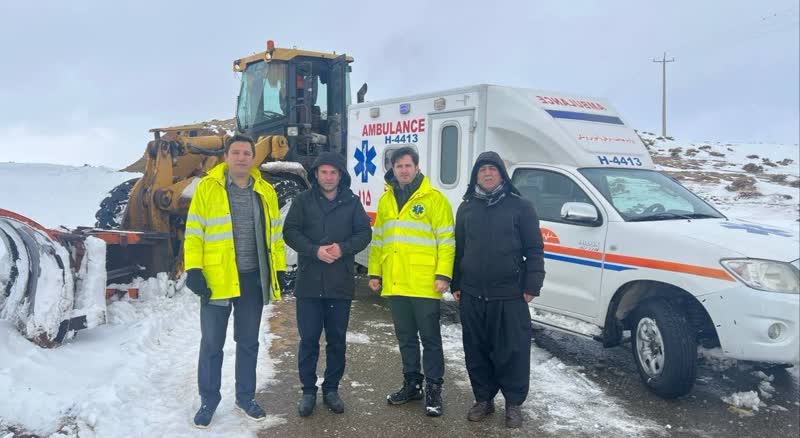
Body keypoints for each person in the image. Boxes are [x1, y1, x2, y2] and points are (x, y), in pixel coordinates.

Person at [184, 133, 287, 428]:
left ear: (253, 158)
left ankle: (245, 397)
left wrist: (278, 269)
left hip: (252, 280)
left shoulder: (265, 191)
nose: (241, 157)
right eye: (236, 152)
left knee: (248, 342)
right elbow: (194, 231)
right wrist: (194, 269)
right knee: (212, 343)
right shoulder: (208, 188)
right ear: (227, 157)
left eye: (246, 153)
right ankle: (208, 400)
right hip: (217, 279)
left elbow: (275, 235)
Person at [451, 151, 545, 429]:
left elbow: (534, 249)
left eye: (493, 169)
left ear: (502, 174)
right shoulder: (466, 208)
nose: (487, 173)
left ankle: (513, 403)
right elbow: (460, 248)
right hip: (472, 294)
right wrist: (457, 282)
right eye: (482, 170)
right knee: (476, 351)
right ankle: (484, 399)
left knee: (512, 352)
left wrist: (533, 284)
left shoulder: (521, 207)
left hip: (509, 294)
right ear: (475, 176)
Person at [367, 146, 455, 417]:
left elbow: (446, 240)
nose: (403, 170)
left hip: (425, 283)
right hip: (396, 282)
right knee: (405, 338)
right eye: (399, 166)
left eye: (408, 165)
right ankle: (412, 384)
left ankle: (434, 390)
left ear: (417, 167)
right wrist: (374, 272)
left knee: (430, 339)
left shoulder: (434, 199)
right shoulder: (386, 200)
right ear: (392, 169)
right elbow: (379, 239)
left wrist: (443, 275)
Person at [283, 151, 372, 417]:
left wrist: (343, 248)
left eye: (334, 172)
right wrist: (314, 250)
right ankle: (308, 391)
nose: (329, 177)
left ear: (341, 175)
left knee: (336, 341)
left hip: (339, 284)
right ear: (316, 174)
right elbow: (290, 232)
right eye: (324, 172)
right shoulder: (303, 200)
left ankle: (331, 389)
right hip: (309, 284)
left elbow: (364, 233)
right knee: (309, 340)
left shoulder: (352, 202)